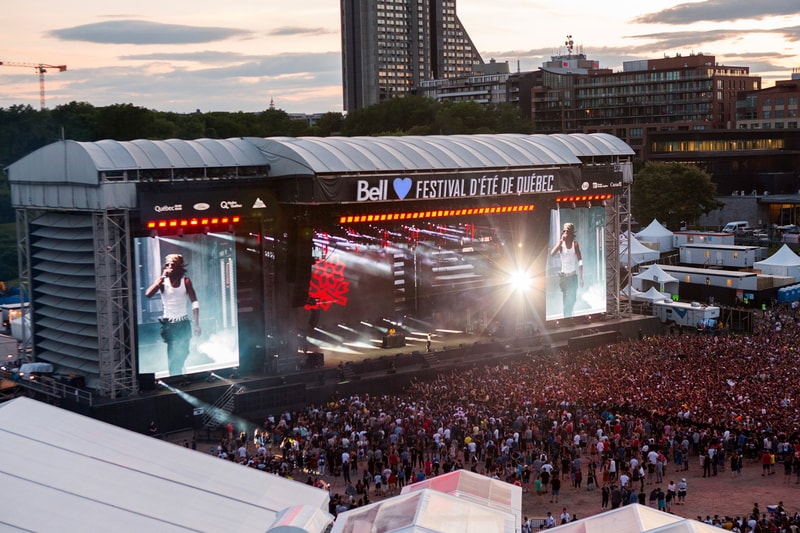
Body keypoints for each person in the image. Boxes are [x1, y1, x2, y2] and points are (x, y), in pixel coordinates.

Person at [146, 254, 201, 376]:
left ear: (178, 267)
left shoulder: (185, 281)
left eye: (172, 264)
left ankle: (178, 369)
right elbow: (148, 294)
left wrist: (196, 324)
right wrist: (162, 277)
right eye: (167, 264)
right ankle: (174, 375)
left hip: (183, 323)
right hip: (169, 324)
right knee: (172, 352)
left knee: (184, 351)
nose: (169, 267)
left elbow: (194, 302)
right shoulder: (162, 282)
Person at [550, 222, 583, 319]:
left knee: (573, 298)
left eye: (567, 231)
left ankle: (569, 314)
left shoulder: (575, 244)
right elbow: (552, 254)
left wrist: (581, 277)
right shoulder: (561, 244)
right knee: (566, 298)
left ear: (571, 233)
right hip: (564, 277)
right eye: (563, 231)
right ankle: (567, 317)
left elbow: (580, 260)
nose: (565, 233)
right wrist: (560, 242)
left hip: (573, 276)